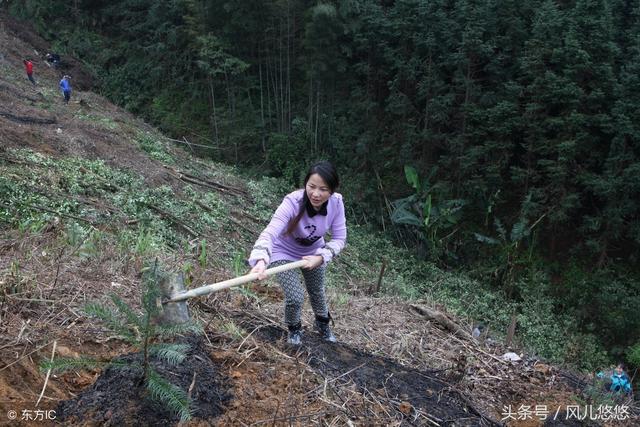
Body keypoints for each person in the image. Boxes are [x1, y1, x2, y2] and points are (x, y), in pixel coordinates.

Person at [249, 161, 347, 345]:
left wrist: (321, 257)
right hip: (282, 252)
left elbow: (339, 238)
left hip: (314, 252)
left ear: (332, 190)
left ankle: (322, 324)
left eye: (323, 189)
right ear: (305, 184)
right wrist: (261, 259)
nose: (316, 194)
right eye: (311, 187)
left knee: (317, 291)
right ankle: (294, 329)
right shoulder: (292, 202)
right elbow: (271, 231)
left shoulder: (336, 203)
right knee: (295, 297)